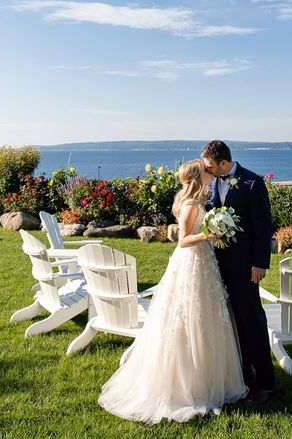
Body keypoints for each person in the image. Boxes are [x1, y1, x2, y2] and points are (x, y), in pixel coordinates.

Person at [98, 159, 247, 424]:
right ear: (196, 177)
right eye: (206, 171)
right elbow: (184, 240)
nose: (210, 173)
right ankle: (185, 384)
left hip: (204, 262)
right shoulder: (191, 204)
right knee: (186, 315)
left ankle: (208, 377)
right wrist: (210, 234)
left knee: (205, 315)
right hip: (192, 260)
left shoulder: (198, 200)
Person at [201, 140, 276, 403]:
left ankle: (266, 382)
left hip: (246, 266)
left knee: (252, 320)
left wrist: (259, 264)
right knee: (231, 322)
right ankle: (243, 377)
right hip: (217, 264)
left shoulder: (252, 183)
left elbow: (263, 227)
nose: (207, 171)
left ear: (224, 162)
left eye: (210, 166)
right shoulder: (212, 182)